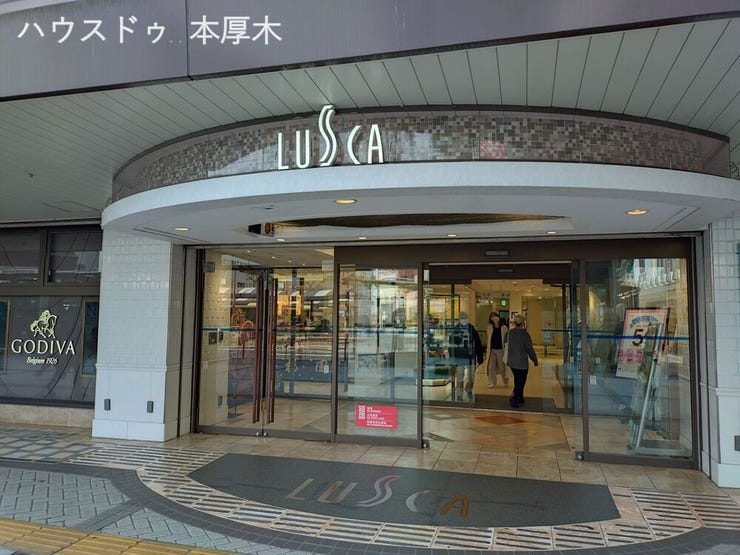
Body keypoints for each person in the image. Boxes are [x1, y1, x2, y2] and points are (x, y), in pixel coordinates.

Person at [507, 314, 538, 408]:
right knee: (521, 381)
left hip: (511, 361)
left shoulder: (509, 333)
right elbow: (529, 349)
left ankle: (519, 397)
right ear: (523, 323)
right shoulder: (524, 335)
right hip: (521, 362)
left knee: (517, 379)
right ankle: (515, 398)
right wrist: (534, 360)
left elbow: (505, 344)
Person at [483, 312, 508, 388]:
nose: (494, 318)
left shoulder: (504, 328)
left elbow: (506, 340)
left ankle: (505, 380)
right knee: (491, 367)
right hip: (492, 350)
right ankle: (492, 382)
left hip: (500, 350)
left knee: (502, 366)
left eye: (495, 316)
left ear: (498, 317)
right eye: (492, 317)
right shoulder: (490, 328)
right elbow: (489, 339)